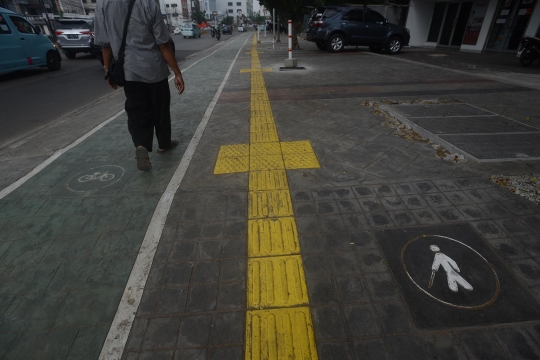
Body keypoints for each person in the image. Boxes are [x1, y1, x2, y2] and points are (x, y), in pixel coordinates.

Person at [94, 0, 185, 171]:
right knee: (160, 108)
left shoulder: (103, 4)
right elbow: (163, 44)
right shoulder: (148, 3)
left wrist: (108, 70)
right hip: (154, 70)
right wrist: (177, 73)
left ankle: (141, 146)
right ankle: (164, 144)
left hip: (128, 71)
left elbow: (105, 44)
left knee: (136, 111)